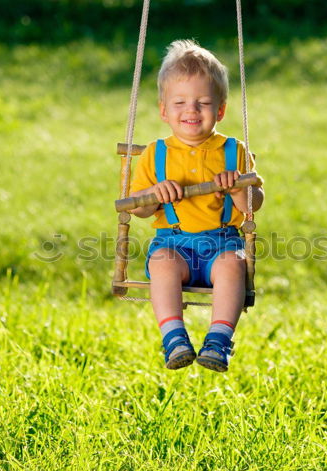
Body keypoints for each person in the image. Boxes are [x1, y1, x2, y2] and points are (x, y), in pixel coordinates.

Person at [129, 39, 264, 372]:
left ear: (220, 110)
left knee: (235, 264)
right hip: (173, 243)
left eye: (203, 103)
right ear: (164, 110)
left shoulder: (233, 151)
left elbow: (254, 203)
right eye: (180, 103)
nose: (191, 111)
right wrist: (155, 193)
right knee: (161, 262)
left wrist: (236, 189)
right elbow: (138, 208)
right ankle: (174, 336)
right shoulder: (154, 155)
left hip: (222, 242)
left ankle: (218, 340)